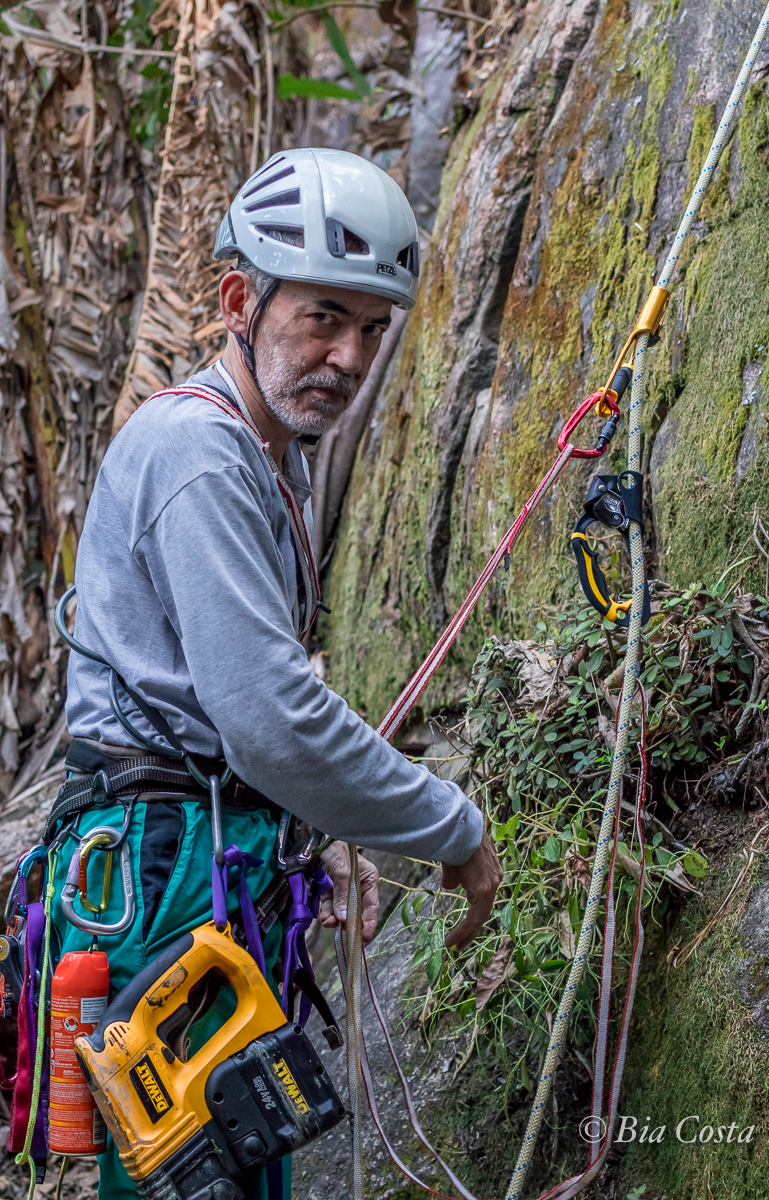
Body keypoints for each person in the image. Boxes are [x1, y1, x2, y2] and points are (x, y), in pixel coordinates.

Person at [47, 147, 503, 1199]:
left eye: (371, 330)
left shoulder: (266, 456)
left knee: (235, 1172)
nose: (347, 356)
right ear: (237, 299)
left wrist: (312, 832)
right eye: (323, 318)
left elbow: (240, 708)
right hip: (168, 876)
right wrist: (454, 829)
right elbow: (268, 718)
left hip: (200, 859)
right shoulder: (201, 455)